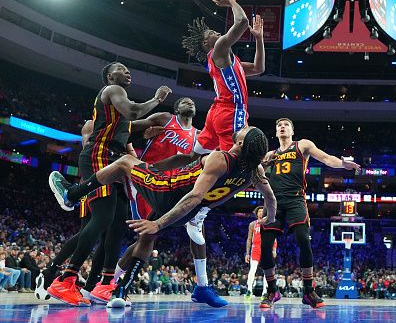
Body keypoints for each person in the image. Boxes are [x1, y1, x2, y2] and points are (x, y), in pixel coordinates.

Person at [49, 126, 277, 308]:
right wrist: (269, 218)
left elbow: (194, 196)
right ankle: (119, 290)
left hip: (167, 191)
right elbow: (271, 200)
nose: (244, 127)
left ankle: (72, 194)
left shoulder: (220, 159)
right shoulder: (253, 173)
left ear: (239, 143)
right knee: (147, 238)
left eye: (246, 130)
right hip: (185, 212)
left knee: (125, 163)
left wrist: (157, 222)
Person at [47, 62, 171, 306]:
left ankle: (105, 284)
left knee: (117, 225)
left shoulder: (118, 114)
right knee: (102, 219)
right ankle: (65, 279)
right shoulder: (113, 91)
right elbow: (135, 112)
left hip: (116, 161)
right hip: (99, 157)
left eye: (128, 70)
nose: (127, 72)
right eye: (122, 69)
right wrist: (157, 99)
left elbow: (134, 123)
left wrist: (156, 124)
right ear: (109, 75)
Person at [118, 98, 227, 307]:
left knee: (197, 228)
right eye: (184, 100)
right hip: (148, 182)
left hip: (177, 188)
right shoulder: (165, 119)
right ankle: (110, 281)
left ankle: (202, 286)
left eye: (192, 101)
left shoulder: (199, 136)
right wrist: (142, 137)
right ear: (176, 108)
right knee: (146, 237)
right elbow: (127, 127)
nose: (189, 102)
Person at [258, 118, 360, 309]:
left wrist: (343, 164)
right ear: (276, 132)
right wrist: (263, 164)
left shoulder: (302, 145)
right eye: (279, 125)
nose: (282, 127)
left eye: (286, 125)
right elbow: (255, 173)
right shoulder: (269, 154)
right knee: (264, 246)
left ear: (292, 131)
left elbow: (326, 158)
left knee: (304, 240)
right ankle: (272, 290)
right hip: (273, 201)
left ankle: (308, 291)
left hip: (296, 199)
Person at [181, 0, 265, 153]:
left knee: (195, 154)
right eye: (212, 33)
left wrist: (259, 39)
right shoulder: (217, 49)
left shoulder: (229, 60)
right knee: (238, 159)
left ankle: (168, 171)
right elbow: (242, 22)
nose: (218, 33)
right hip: (231, 111)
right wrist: (231, 2)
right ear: (206, 42)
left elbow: (258, 68)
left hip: (218, 111)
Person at [245, 206, 277, 299]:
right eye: (259, 211)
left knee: (267, 271)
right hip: (255, 248)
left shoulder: (270, 223)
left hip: (266, 248)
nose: (261, 213)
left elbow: (274, 238)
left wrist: (274, 250)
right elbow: (249, 239)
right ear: (256, 213)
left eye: (262, 211)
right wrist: (247, 253)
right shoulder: (252, 224)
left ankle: (265, 292)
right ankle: (249, 290)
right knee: (252, 270)